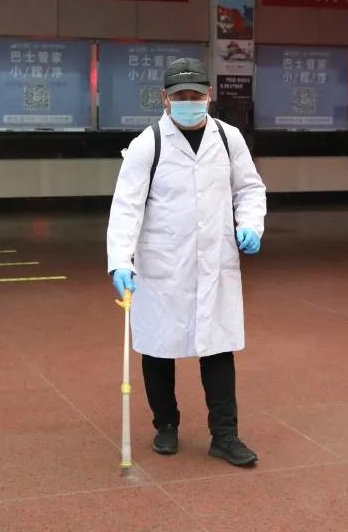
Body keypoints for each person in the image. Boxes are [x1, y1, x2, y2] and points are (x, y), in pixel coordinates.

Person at [106, 58, 267, 467]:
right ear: (165, 98)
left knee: (218, 347)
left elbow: (249, 188)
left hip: (214, 261)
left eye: (196, 95)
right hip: (163, 265)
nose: (189, 102)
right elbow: (126, 207)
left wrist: (251, 223)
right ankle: (166, 424)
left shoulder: (229, 138)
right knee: (159, 347)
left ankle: (225, 436)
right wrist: (120, 261)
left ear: (208, 95)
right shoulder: (148, 144)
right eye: (181, 96)